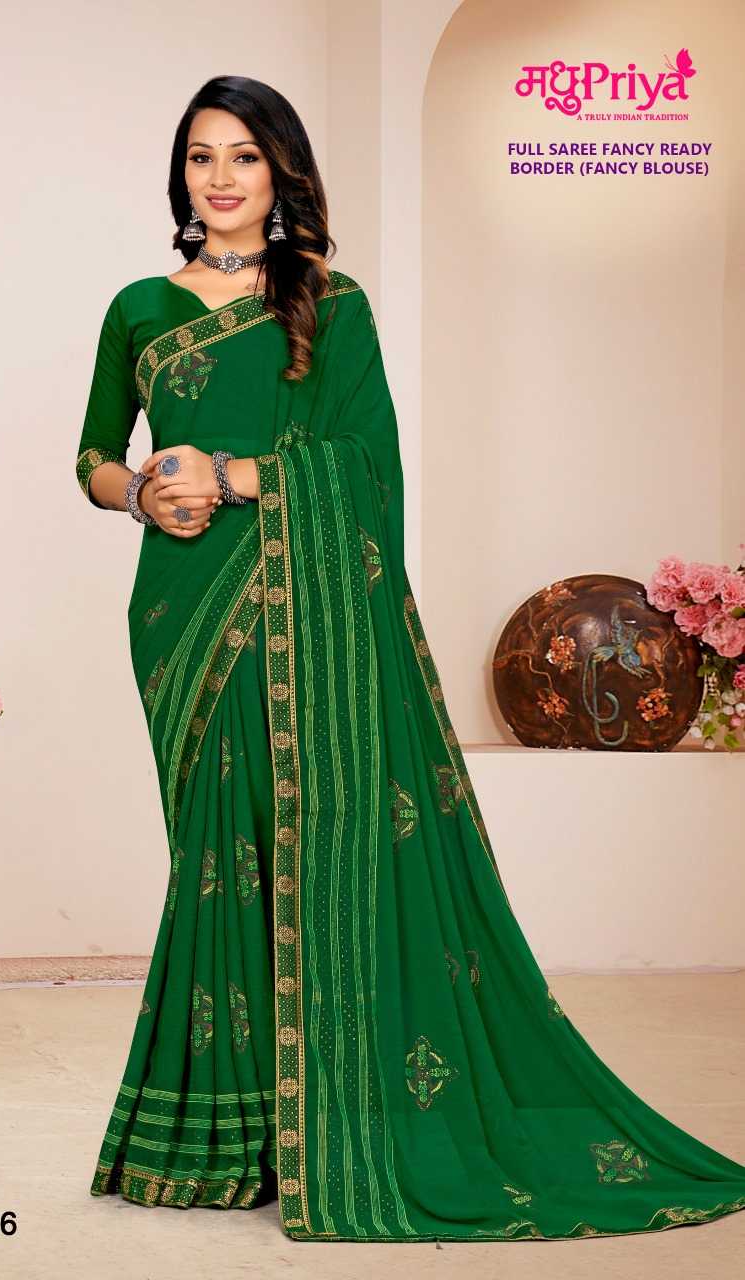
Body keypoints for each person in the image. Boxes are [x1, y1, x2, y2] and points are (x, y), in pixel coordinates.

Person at [76, 75, 745, 1242]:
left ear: (282, 172)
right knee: (216, 854)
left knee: (304, 844)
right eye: (200, 157)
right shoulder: (137, 306)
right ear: (179, 174)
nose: (220, 178)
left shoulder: (329, 305)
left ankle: (328, 1124)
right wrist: (139, 491)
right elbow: (92, 454)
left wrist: (233, 475)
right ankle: (220, 1140)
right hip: (183, 612)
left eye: (243, 156)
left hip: (305, 605)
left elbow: (366, 466)